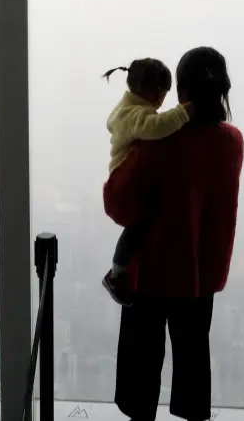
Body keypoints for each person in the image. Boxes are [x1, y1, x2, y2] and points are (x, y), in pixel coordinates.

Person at [103, 46, 244, 421]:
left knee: (141, 371)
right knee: (193, 363)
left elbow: (118, 206)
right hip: (200, 276)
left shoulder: (159, 141)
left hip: (150, 271)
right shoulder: (232, 143)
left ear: (181, 92)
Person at [100, 58, 192, 305]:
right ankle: (117, 273)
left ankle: (119, 272)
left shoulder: (128, 110)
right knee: (137, 226)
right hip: (123, 183)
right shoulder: (134, 115)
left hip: (124, 181)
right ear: (154, 91)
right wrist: (184, 112)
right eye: (163, 93)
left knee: (138, 227)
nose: (163, 101)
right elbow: (156, 126)